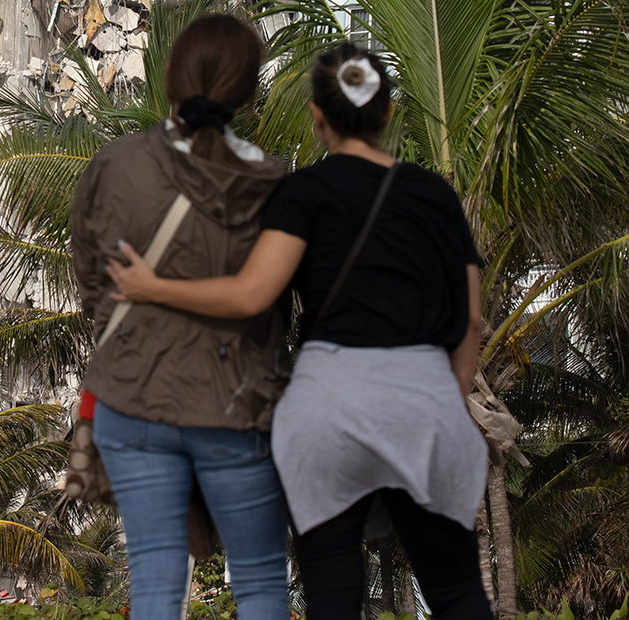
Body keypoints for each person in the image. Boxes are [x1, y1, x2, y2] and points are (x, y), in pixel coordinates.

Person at [108, 42, 491, 620]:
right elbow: (470, 318)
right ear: (387, 112)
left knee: (332, 599)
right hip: (425, 400)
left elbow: (250, 296)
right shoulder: (434, 195)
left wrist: (150, 288)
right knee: (459, 594)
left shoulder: (303, 193)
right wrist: (446, 397)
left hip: (330, 407)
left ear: (317, 117)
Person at [71, 13, 292, 620]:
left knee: (156, 581)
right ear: (248, 92)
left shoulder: (116, 166)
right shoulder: (271, 184)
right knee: (261, 582)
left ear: (168, 77)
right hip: (234, 403)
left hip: (132, 396)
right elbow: (278, 296)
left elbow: (92, 278)